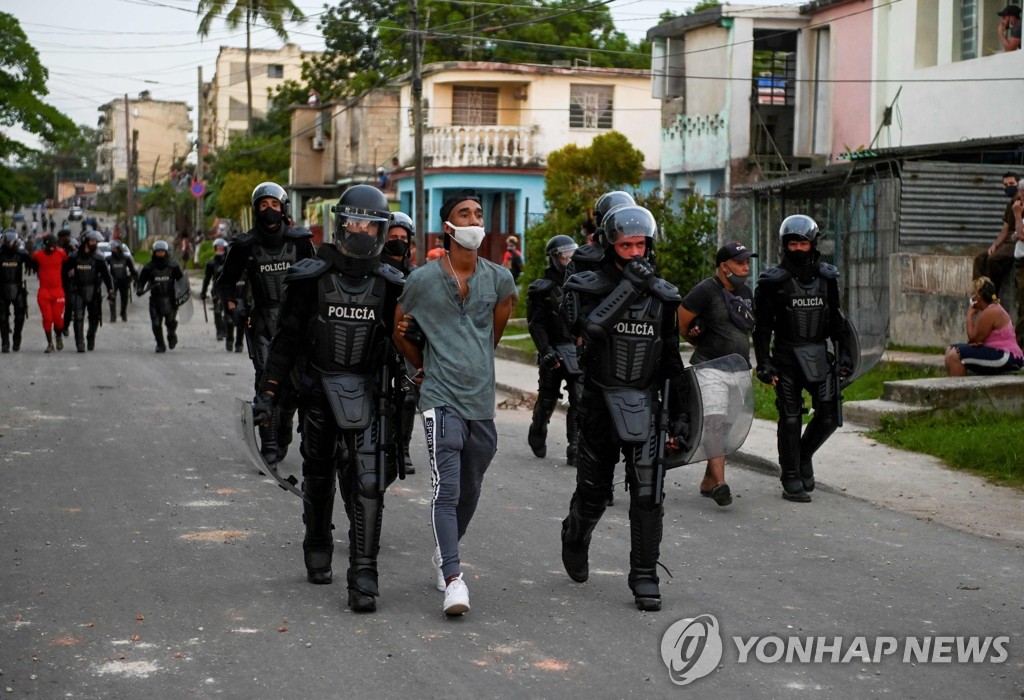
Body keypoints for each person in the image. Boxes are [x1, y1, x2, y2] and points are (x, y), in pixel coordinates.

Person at [253, 184, 405, 613]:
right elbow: (285, 341)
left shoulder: (393, 284)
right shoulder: (309, 277)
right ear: (341, 224)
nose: (360, 230)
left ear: (380, 230)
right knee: (318, 474)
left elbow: (407, 343)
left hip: (371, 393)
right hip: (318, 390)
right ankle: (317, 537)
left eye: (369, 224)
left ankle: (364, 575)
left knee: (369, 483)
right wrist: (270, 395)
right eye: (353, 222)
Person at [558, 204, 688, 612]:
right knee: (594, 495)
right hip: (598, 401)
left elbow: (670, 357)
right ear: (611, 245)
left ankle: (644, 576)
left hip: (647, 403)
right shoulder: (586, 285)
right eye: (626, 244)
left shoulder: (664, 294)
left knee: (648, 494)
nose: (635, 252)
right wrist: (629, 287)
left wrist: (682, 413)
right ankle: (575, 537)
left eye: (640, 245)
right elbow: (589, 328)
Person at [393, 189, 517, 616]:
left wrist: (474, 361)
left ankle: (446, 550)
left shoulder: (500, 279)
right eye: (465, 214)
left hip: (480, 399)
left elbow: (494, 332)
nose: (475, 221)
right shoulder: (422, 280)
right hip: (439, 397)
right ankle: (453, 578)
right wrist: (421, 365)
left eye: (479, 214)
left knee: (472, 483)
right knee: (446, 487)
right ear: (448, 227)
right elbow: (399, 327)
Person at [753, 215, 852, 504]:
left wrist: (844, 354)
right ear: (785, 246)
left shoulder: (827, 278)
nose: (798, 248)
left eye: (803, 243)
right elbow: (762, 328)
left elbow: (837, 320)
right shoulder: (773, 282)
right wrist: (764, 362)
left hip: (819, 354)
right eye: (793, 243)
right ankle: (790, 476)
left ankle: (804, 454)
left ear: (813, 245)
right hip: (786, 356)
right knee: (791, 416)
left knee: (829, 414)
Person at [216, 182, 315, 463]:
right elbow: (225, 284)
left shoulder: (299, 241)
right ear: (255, 211)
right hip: (262, 322)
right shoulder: (245, 246)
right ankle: (269, 444)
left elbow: (319, 278)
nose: (269, 210)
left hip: (297, 322)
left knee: (297, 386)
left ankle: (285, 432)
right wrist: (234, 306)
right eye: (263, 206)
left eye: (274, 205)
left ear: (283, 209)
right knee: (266, 382)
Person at [678, 241, 758, 507]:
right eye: (740, 262)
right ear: (725, 266)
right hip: (710, 367)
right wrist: (696, 339)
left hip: (739, 369)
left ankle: (709, 479)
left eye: (748, 262)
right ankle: (721, 485)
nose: (746, 267)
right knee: (713, 422)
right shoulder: (705, 290)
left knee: (729, 426)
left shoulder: (746, 292)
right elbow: (682, 320)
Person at [526, 234, 581, 465]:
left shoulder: (582, 284)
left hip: (576, 352)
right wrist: (546, 350)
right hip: (553, 351)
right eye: (564, 254)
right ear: (554, 258)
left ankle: (575, 446)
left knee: (579, 398)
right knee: (547, 398)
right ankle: (538, 429)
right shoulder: (542, 289)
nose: (569, 258)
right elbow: (536, 324)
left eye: (572, 253)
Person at [382, 211, 418, 476]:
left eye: (402, 237)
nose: (397, 241)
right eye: (392, 236)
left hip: (405, 344)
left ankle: (402, 449)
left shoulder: (417, 277)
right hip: (376, 342)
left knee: (407, 398)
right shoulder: (372, 270)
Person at [944, 277, 1023, 375]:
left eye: (973, 294)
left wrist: (969, 315)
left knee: (954, 355)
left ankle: (959, 389)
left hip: (1007, 356)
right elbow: (974, 340)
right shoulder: (989, 310)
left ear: (979, 296)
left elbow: (972, 339)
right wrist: (976, 341)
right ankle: (952, 388)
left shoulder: (991, 311)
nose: (972, 297)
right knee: (950, 350)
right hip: (999, 353)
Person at [64, 231, 114, 353]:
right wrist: (66, 286)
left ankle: (90, 337)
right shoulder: (74, 257)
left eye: (96, 242)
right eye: (92, 241)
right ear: (86, 241)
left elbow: (107, 276)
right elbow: (64, 271)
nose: (95, 244)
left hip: (94, 292)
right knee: (78, 318)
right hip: (78, 291)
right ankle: (79, 343)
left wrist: (111, 290)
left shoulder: (99, 258)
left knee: (94, 318)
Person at [972, 172, 1019, 297]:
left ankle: (992, 294)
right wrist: (995, 245)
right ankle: (979, 292)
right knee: (980, 258)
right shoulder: (1010, 205)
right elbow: (1005, 228)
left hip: (1017, 242)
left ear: (1018, 184)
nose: (1008, 187)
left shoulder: (1021, 204)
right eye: (1005, 185)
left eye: (1011, 184)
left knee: (994, 259)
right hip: (1007, 241)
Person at [135, 240, 184, 352]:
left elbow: (181, 281)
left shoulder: (174, 266)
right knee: (156, 323)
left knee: (170, 322)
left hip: (171, 299)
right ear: (154, 253)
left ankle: (172, 335)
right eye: (158, 252)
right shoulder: (148, 268)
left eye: (162, 252)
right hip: (155, 300)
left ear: (166, 252)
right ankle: (160, 344)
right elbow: (141, 282)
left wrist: (180, 293)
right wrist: (139, 289)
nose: (160, 254)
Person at [31, 233, 67, 353]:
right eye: (51, 244)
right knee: (47, 318)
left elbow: (69, 262)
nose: (53, 247)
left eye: (55, 245)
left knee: (57, 318)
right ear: (45, 244)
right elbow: (33, 263)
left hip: (58, 291)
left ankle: (58, 336)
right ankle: (50, 343)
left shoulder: (61, 254)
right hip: (44, 291)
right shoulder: (38, 255)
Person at [0, 230, 34, 352]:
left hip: (18, 287)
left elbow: (33, 264)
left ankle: (16, 338)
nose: (9, 244)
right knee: (2, 318)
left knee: (20, 317)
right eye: (7, 242)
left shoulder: (21, 254)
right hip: (2, 288)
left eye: (11, 242)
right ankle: (5, 342)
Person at [200, 237, 230, 346]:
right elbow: (207, 278)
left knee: (228, 313)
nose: (220, 251)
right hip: (217, 290)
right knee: (217, 311)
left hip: (229, 290)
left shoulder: (230, 262)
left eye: (222, 249)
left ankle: (228, 330)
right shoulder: (211, 263)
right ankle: (219, 332)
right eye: (218, 249)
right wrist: (203, 291)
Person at [106, 241, 137, 323]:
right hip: (113, 281)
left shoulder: (126, 258)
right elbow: (104, 270)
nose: (113, 250)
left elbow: (132, 269)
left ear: (119, 249)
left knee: (125, 298)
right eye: (112, 249)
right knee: (111, 297)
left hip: (124, 280)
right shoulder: (109, 258)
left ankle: (123, 313)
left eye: (115, 248)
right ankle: (113, 315)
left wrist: (134, 278)